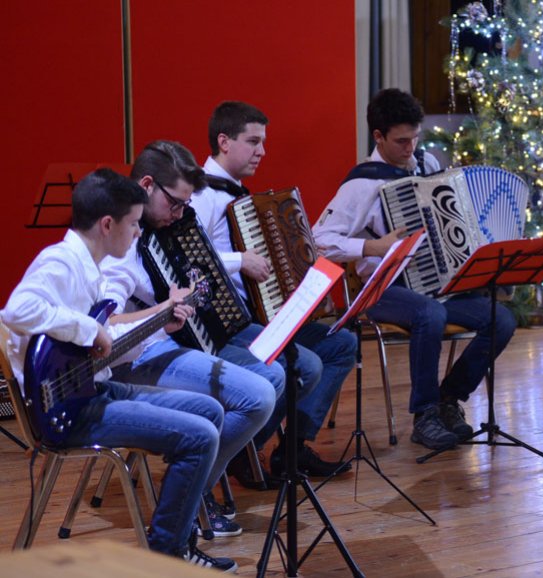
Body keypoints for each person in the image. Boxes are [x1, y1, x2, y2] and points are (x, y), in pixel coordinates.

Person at [1, 169, 236, 571]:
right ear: (107, 224)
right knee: (199, 437)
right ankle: (168, 553)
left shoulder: (89, 266)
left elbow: (99, 344)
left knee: (210, 411)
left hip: (91, 388)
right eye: (132, 224)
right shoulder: (60, 262)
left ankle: (177, 529)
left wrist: (158, 322)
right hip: (68, 409)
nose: (138, 234)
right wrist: (89, 328)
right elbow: (17, 311)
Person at [100, 141, 293, 536]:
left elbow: (171, 290)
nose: (179, 214)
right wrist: (164, 313)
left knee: (271, 379)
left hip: (164, 344)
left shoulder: (161, 227)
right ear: (148, 185)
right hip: (132, 361)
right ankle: (191, 490)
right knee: (256, 397)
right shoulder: (122, 241)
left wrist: (191, 298)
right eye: (175, 204)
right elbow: (106, 326)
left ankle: (192, 483)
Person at [313, 88, 516, 450]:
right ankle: (424, 416)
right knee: (430, 313)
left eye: (415, 138)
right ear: (378, 136)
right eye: (401, 141)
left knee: (500, 318)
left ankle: (447, 399)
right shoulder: (362, 184)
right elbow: (319, 238)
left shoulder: (430, 166)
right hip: (380, 289)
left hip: (435, 287)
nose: (411, 149)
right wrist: (372, 246)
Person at [189, 101, 357, 478]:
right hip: (223, 323)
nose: (262, 151)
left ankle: (292, 449)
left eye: (263, 142)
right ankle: (241, 452)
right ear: (224, 141)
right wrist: (238, 260)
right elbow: (187, 257)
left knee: (340, 344)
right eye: (253, 141)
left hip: (263, 315)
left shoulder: (238, 194)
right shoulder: (200, 194)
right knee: (304, 366)